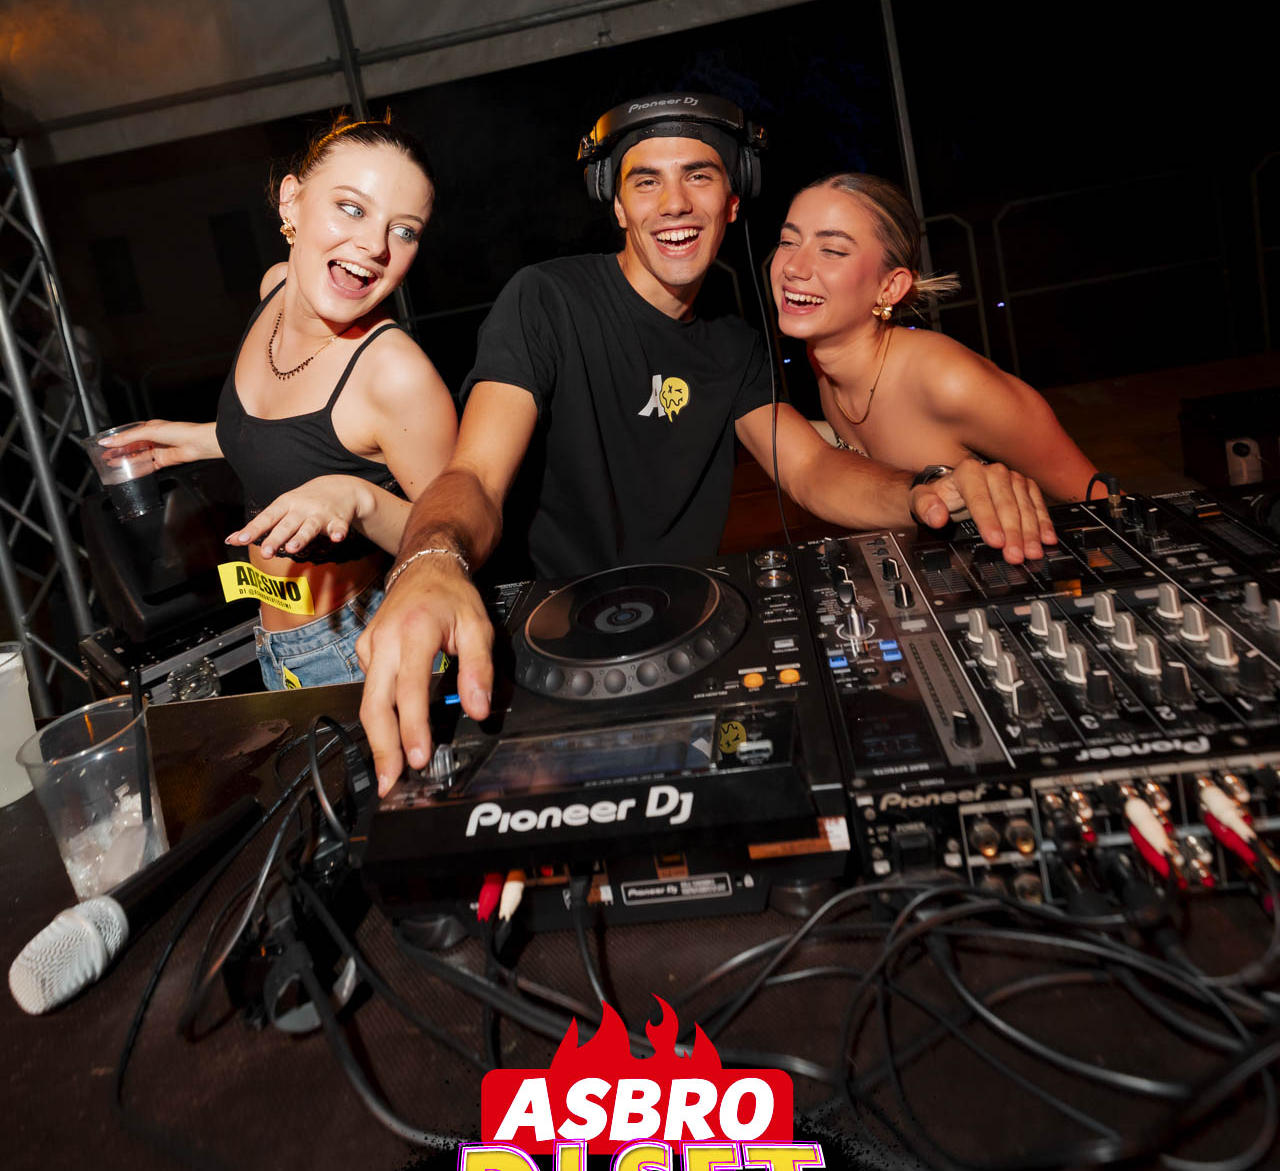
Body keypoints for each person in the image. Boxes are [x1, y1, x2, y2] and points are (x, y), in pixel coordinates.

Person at [354, 92, 1059, 794]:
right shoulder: (545, 300)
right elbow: (476, 472)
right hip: (543, 651)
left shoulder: (735, 345)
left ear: (732, 201)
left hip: (686, 644)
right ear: (617, 205)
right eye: (646, 181)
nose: (674, 203)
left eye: (698, 176)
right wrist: (432, 559)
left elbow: (811, 468)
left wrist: (928, 488)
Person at [100, 115, 456, 689]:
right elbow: (303, 442)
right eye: (352, 207)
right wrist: (201, 438)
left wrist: (360, 500)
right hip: (273, 644)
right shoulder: (275, 289)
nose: (374, 245)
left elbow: (455, 542)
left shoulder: (396, 375)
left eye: (404, 231)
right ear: (292, 202)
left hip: (362, 650)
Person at [772, 174, 1098, 500]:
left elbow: (1102, 501)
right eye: (788, 242)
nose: (793, 267)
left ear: (890, 288)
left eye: (831, 250)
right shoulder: (821, 357)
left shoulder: (952, 382)